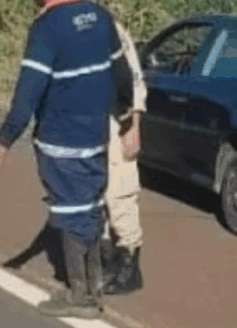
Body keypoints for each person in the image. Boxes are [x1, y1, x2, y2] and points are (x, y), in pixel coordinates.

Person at [0, 0, 133, 319]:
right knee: (91, 207)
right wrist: (125, 116)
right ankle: (92, 287)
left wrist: (2, 141)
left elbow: (27, 94)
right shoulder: (99, 15)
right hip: (96, 135)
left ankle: (82, 297)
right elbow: (122, 73)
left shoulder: (47, 28)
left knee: (71, 211)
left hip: (61, 139)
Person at [101, 21, 147, 295]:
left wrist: (133, 127)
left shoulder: (110, 30)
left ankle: (129, 266)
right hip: (83, 125)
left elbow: (134, 81)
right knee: (92, 196)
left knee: (120, 193)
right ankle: (105, 261)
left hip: (117, 120)